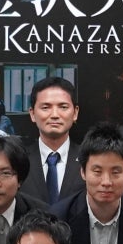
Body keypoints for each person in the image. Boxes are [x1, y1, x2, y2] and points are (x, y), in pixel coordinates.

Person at [18, 75, 84, 208]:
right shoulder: (19, 160)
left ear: (75, 113)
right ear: (32, 113)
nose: (54, 115)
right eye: (45, 107)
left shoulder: (87, 160)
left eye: (63, 107)